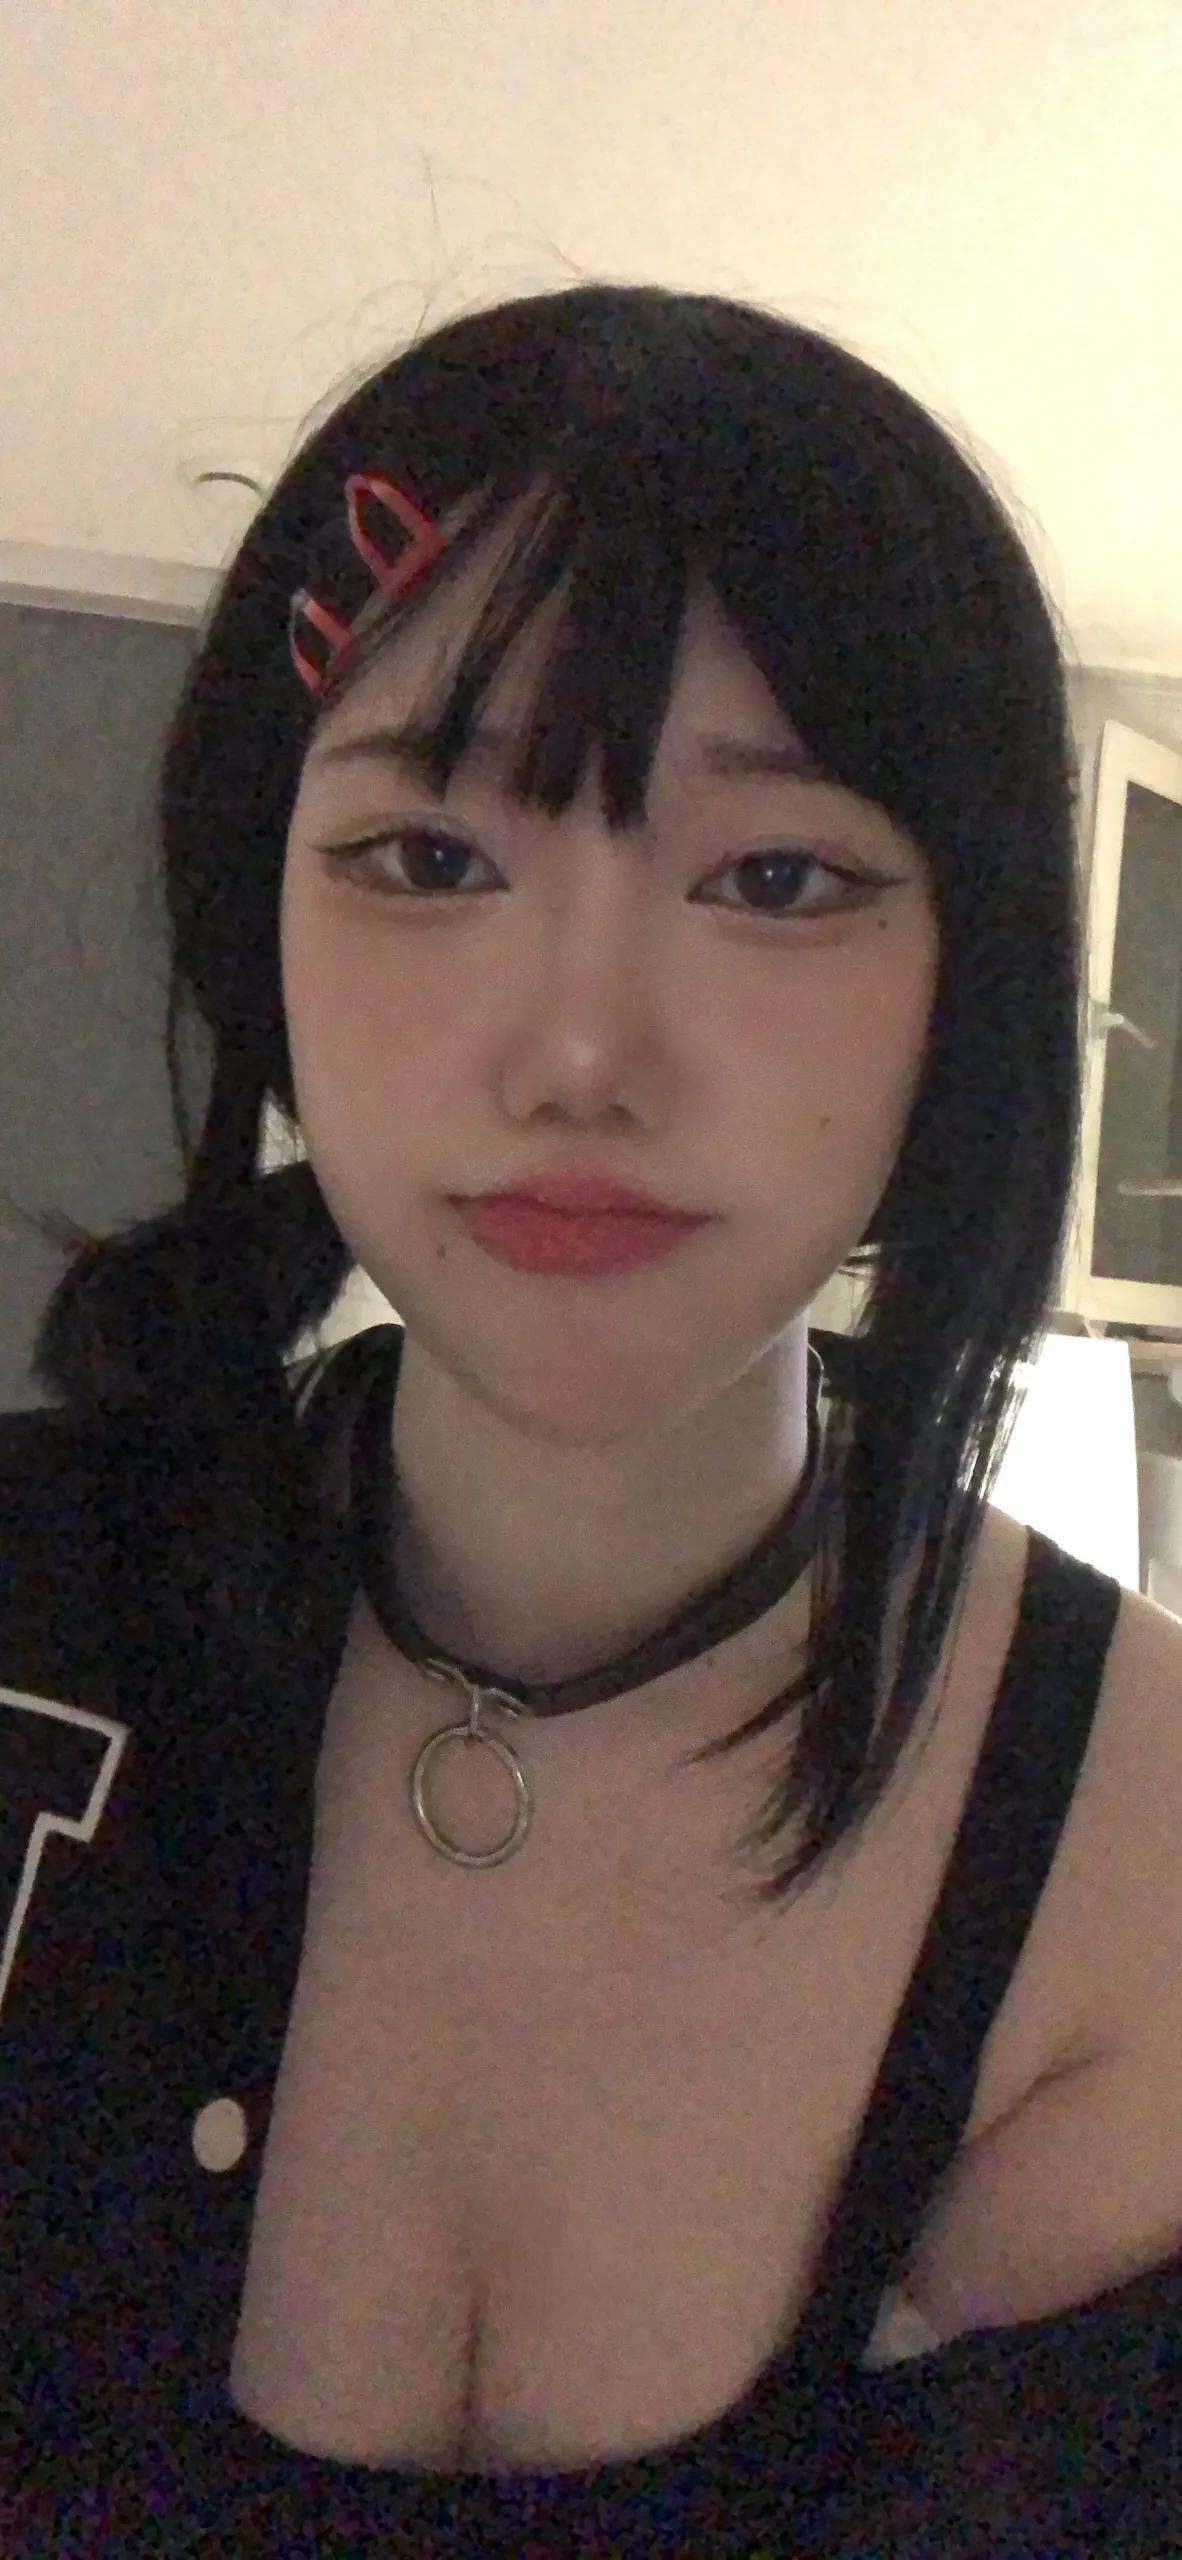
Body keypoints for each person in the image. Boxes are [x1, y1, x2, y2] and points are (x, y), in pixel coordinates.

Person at [3, 281, 1181, 2552]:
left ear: (969, 979)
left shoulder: (1141, 1856)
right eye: (429, 858)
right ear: (261, 927)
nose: (578, 1053)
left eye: (776, 879)